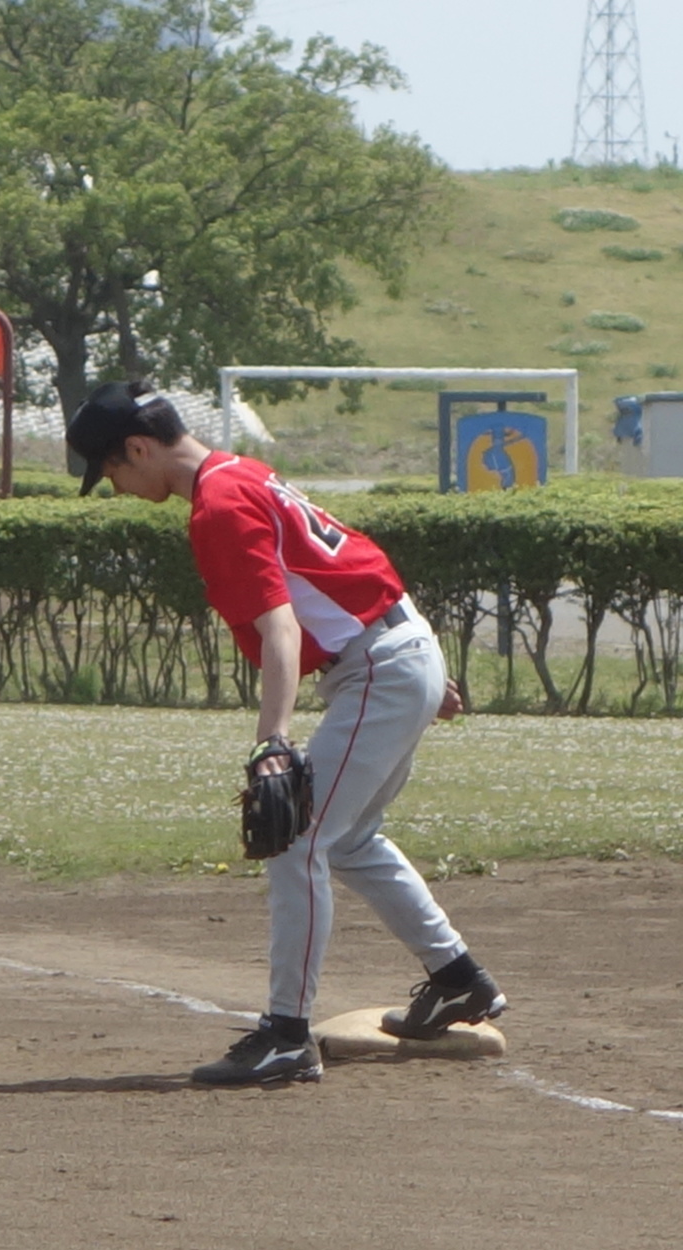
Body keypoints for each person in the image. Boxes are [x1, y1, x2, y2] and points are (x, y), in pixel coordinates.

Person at [65, 380, 507, 1085]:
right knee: (347, 840)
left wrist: (273, 741)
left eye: (111, 469)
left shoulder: (217, 505)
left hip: (379, 666)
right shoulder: (243, 473)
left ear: (139, 449)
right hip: (394, 651)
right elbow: (347, 561)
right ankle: (458, 980)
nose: (115, 486)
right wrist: (420, 668)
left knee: (297, 841)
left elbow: (280, 626)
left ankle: (287, 1036)